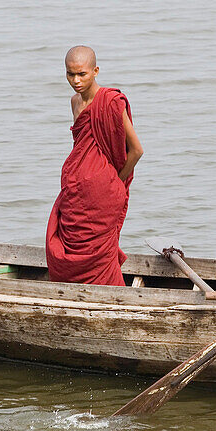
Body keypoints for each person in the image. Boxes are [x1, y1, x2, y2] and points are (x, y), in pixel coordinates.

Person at [46, 46, 143, 285]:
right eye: (70, 74)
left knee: (101, 254)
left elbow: (137, 150)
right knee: (64, 245)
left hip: (103, 194)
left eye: (82, 74)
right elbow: (82, 146)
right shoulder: (75, 103)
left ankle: (112, 295)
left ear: (96, 71)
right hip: (75, 191)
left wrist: (115, 181)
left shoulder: (111, 102)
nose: (76, 81)